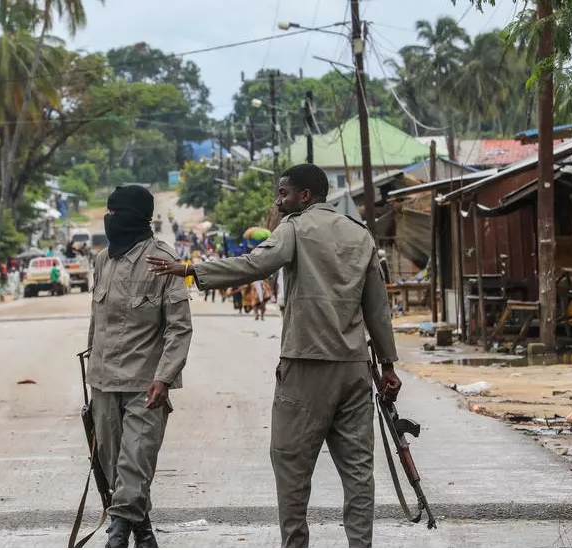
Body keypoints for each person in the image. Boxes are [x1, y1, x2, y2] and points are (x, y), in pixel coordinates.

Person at [147, 164, 401, 548]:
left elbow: (254, 265)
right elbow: (377, 308)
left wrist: (190, 269)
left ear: (304, 195)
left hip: (305, 365)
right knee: (359, 470)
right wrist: (388, 366)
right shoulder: (359, 233)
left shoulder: (296, 228)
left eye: (283, 193)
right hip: (355, 369)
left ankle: (295, 543)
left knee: (291, 463)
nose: (278, 202)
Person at [87, 185, 193, 548]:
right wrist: (91, 382)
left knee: (135, 462)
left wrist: (164, 378)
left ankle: (115, 539)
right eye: (108, 212)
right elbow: (96, 322)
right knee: (116, 469)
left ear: (135, 217)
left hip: (146, 386)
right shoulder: (102, 260)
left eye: (116, 213)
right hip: (103, 384)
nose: (109, 219)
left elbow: (179, 328)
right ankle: (144, 535)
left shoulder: (163, 260)